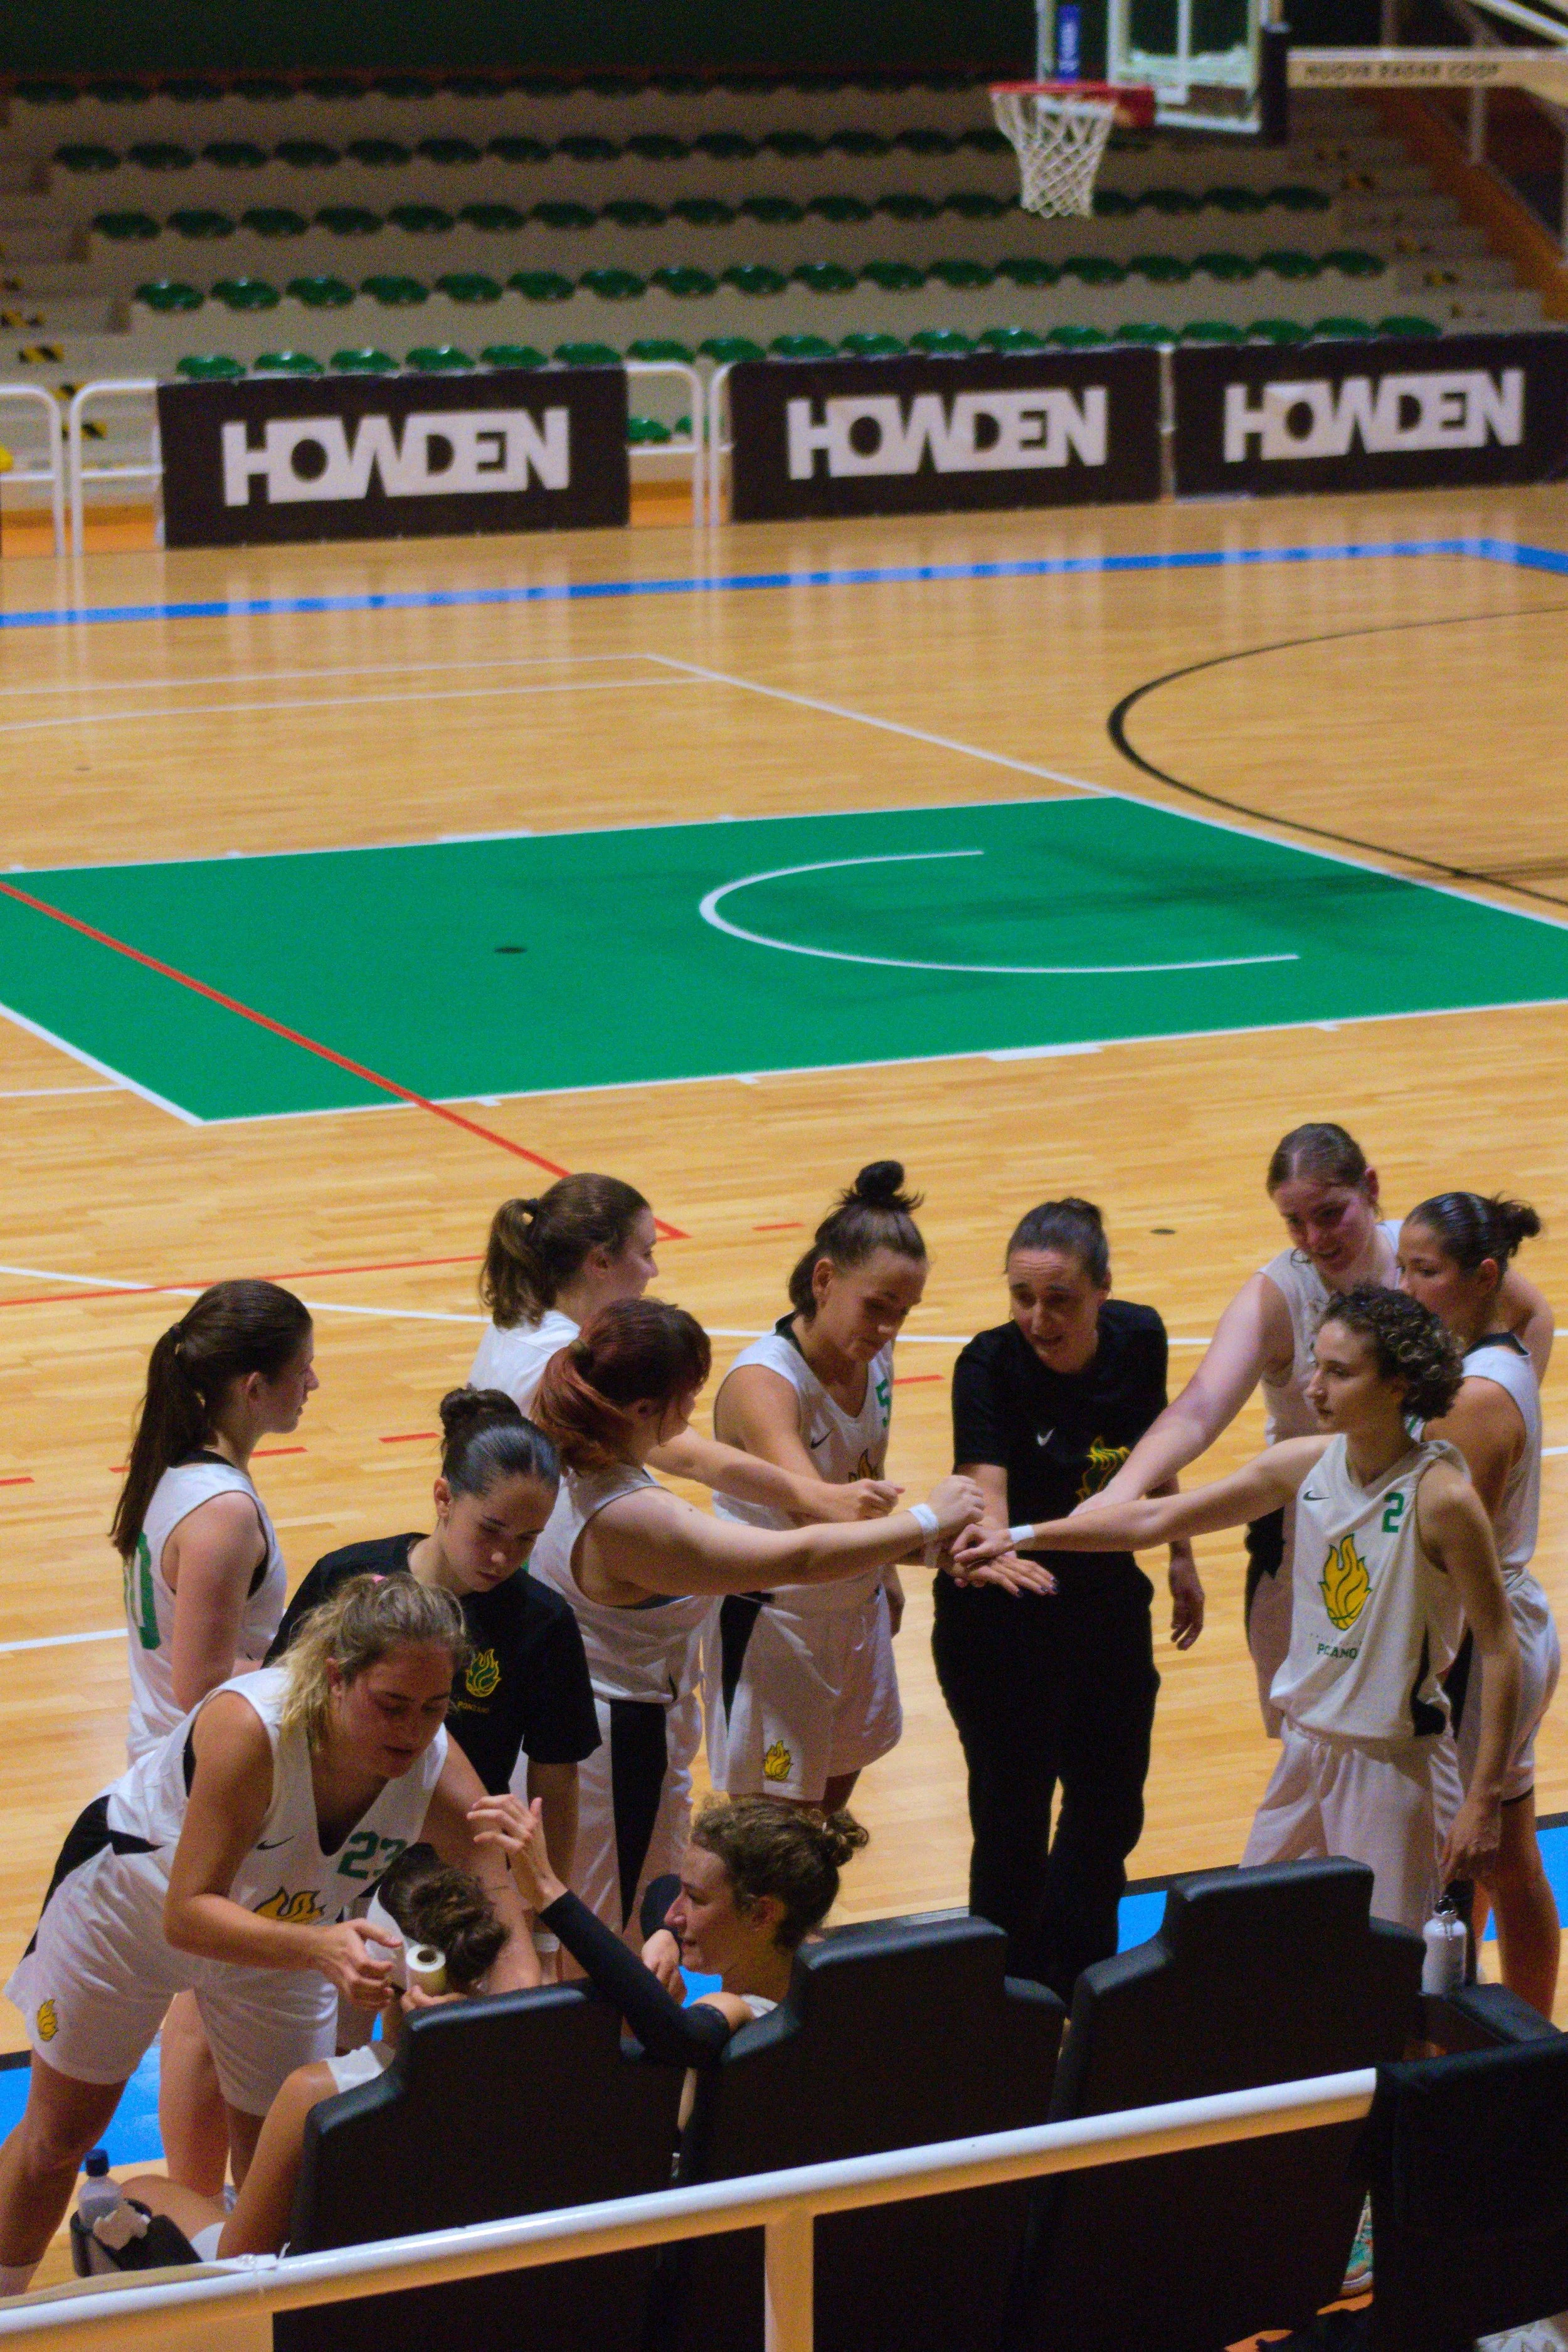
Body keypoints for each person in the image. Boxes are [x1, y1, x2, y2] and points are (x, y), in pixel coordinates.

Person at [0, 1575, 535, 2296]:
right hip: (132, 1908)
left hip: (287, 1937)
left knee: (280, 2177)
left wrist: (515, 2029)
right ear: (337, 1677)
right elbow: (187, 1913)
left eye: (433, 1708)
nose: (414, 1732)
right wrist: (320, 1947)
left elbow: (500, 1905)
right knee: (58, 2139)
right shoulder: (251, 1729)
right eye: (391, 1706)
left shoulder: (436, 1766)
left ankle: (241, 2316)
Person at [956, 1285, 1522, 1935]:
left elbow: (1499, 1648)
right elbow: (1156, 1518)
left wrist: (1484, 1798)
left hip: (1394, 1764)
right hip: (1305, 1746)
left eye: (1339, 1373)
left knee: (1394, 1968)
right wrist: (1020, 1536)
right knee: (1243, 1938)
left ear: (1398, 1386)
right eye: (1316, 1365)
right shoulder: (1304, 1464)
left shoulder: (1442, 1498)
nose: (1314, 1387)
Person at [527, 1298, 989, 1941]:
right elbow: (795, 1557)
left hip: (587, 1718)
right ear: (643, 1410)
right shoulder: (633, 1516)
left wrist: (823, 1497)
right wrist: (928, 1522)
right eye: (689, 1396)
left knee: (623, 1915)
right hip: (616, 1743)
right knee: (612, 1930)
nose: (694, 1410)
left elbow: (702, 1459)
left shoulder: (566, 1444)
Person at [1086, 1123, 1550, 1731]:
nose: (1315, 1238)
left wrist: (1497, 1417)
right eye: (1294, 1222)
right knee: (1315, 1734)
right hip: (1309, 1527)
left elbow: (1532, 1313)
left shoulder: (1428, 1259)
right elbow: (1198, 1409)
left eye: (1330, 1214)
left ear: (1370, 1189)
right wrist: (1121, 1491)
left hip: (1415, 1536)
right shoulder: (1276, 1294)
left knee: (1430, 1741)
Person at [931, 1197, 1200, 2000]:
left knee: (1109, 1813)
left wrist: (1181, 1555)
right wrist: (996, 1545)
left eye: (1058, 1300)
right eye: (1021, 1297)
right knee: (1010, 1828)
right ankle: (1008, 2004)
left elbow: (1154, 1449)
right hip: (1000, 1627)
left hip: (1106, 1607)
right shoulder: (986, 1366)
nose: (1037, 1319)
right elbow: (986, 1498)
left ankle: (1082, 1986)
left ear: (1102, 1292)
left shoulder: (1139, 1336)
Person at [109, 1279, 317, 2196]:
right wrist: (322, 1670)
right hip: (200, 1772)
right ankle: (211, 2207)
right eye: (301, 1368)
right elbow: (201, 1682)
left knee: (204, 1999)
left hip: (166, 1756)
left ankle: (207, 2203)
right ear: (252, 1386)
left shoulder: (174, 1472)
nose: (314, 1383)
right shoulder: (223, 1508)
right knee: (212, 2005)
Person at [267, 1391, 598, 1881]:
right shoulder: (345, 1576)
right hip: (320, 1847)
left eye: (527, 1539)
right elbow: (280, 1705)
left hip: (451, 1870)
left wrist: (551, 1904)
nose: (503, 1557)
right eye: (490, 1529)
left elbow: (557, 1776)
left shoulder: (543, 1623)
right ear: (444, 1498)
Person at [119, 1846, 507, 2261]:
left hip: (336, 2288)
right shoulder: (526, 2055)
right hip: (472, 2269)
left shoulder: (314, 2092)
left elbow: (243, 2259)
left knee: (136, 2192)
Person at [469, 1175, 899, 1527]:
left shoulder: (521, 1320)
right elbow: (693, 1458)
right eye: (646, 1253)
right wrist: (821, 1496)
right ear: (600, 1262)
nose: (653, 1271)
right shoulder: (568, 1358)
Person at [706, 1162, 930, 1811]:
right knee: (768, 1833)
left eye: (903, 1313)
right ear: (824, 1280)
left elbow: (865, 1470)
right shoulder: (765, 1383)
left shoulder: (874, 1354)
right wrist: (936, 1535)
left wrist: (883, 1575)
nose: (888, 1329)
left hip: (855, 1604)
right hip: (776, 1624)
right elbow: (818, 1517)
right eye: (877, 1307)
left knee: (827, 1818)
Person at [1399, 1192, 1560, 2012]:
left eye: (1425, 1272)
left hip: (1478, 1640)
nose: (1406, 1289)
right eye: (1402, 1268)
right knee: (1509, 1859)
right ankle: (1531, 2044)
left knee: (1461, 1868)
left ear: (1484, 1275)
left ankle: (1468, 2047)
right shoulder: (1495, 1356)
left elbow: (1445, 1564)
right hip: (1511, 1626)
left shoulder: (1477, 1398)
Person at [473, 1788, 866, 2084]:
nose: (672, 1913)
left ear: (762, 1913)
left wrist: (549, 1892)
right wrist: (665, 1937)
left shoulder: (746, 2010)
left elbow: (681, 2037)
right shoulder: (824, 1956)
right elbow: (661, 1887)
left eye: (695, 1898)